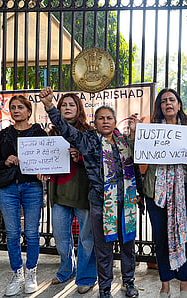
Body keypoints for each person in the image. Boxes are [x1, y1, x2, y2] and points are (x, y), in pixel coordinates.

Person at [39, 87, 140, 298]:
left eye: (109, 118)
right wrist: (50, 106)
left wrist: (138, 192)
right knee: (103, 249)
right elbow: (67, 130)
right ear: (95, 122)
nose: (105, 121)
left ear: (114, 121)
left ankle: (129, 282)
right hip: (101, 203)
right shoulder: (89, 142)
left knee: (128, 246)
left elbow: (137, 167)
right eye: (101, 118)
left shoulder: (125, 143)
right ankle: (104, 288)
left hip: (127, 202)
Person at [141, 88, 187, 298]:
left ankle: (184, 283)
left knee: (184, 237)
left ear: (179, 104)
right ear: (160, 107)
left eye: (172, 100)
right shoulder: (151, 129)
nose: (168, 103)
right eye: (163, 101)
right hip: (156, 193)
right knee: (161, 239)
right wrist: (135, 134)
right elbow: (138, 153)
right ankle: (165, 283)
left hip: (185, 192)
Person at [0, 95, 47, 296]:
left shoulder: (39, 133)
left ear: (29, 111)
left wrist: (43, 170)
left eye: (20, 107)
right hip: (8, 188)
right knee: (12, 234)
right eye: (12, 107)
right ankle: (17, 273)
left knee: (31, 233)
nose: (16, 110)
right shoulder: (2, 135)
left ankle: (31, 273)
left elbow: (48, 159)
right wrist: (5, 162)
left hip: (32, 187)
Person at [44, 93, 97, 294]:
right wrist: (41, 168)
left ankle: (86, 277)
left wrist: (81, 157)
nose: (67, 108)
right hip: (59, 192)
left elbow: (97, 161)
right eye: (63, 104)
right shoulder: (52, 133)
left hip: (83, 192)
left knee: (86, 239)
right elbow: (45, 159)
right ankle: (66, 269)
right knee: (61, 236)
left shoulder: (89, 132)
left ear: (79, 108)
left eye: (71, 104)